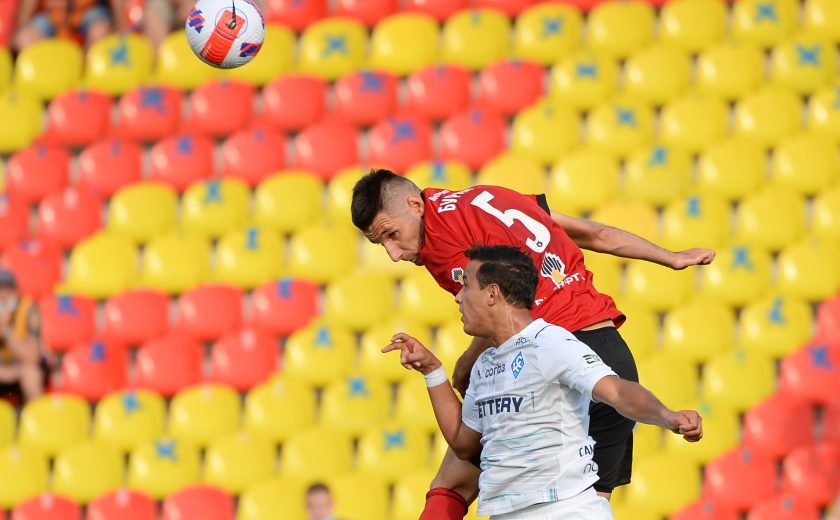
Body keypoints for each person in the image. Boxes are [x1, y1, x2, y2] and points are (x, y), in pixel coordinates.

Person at [350, 169, 715, 518]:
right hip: (611, 351)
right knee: (586, 502)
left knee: (453, 483)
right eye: (380, 243)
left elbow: (503, 309)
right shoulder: (487, 198)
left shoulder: (443, 240)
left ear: (415, 205)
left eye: (391, 235)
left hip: (547, 358)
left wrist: (465, 365)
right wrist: (671, 256)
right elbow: (596, 234)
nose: (393, 253)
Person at [383, 245, 702, 519]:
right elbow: (464, 443)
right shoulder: (485, 366)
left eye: (466, 285)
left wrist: (668, 416)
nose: (458, 297)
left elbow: (616, 390)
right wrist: (433, 372)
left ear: (492, 294)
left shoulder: (550, 343)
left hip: (564, 511)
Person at [0, 270, 50, 405]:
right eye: (0, 291)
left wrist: (6, 331)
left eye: (8, 290)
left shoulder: (29, 310)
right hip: (3, 370)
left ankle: (37, 416)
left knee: (31, 375)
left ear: (16, 293)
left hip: (22, 369)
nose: (3, 296)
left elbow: (32, 357)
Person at [14, 0, 124, 51]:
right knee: (25, 39)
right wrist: (21, 26)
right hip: (54, 14)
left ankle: (87, 77)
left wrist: (121, 26)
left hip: (89, 12)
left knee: (99, 31)